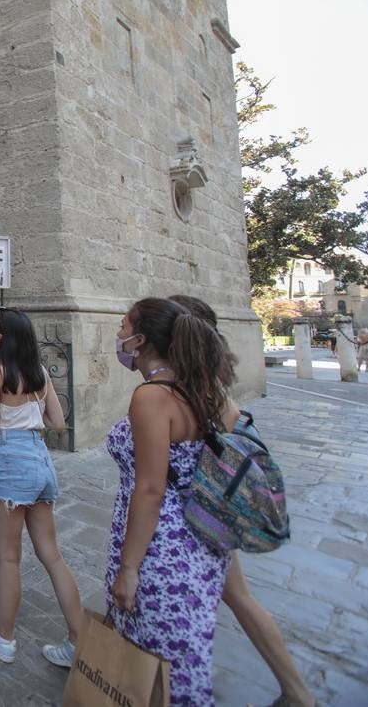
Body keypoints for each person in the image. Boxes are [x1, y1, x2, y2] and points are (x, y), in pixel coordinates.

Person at [168, 296, 315, 707]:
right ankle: (296, 690)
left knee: (212, 601)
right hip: (207, 509)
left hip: (195, 513)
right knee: (238, 595)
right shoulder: (206, 380)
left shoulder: (192, 387)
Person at [106, 297, 239, 705]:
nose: (118, 333)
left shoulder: (152, 397)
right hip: (201, 537)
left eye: (124, 326)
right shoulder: (202, 389)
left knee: (156, 659)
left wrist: (129, 568)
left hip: (161, 545)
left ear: (142, 340)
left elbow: (150, 489)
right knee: (181, 659)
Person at [0, 307, 82, 670]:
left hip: (12, 463)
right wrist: (32, 416)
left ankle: (3, 637)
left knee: (9, 557)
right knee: (52, 554)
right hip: (41, 461)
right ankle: (78, 639)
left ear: (3, 336)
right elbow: (58, 422)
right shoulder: (40, 373)